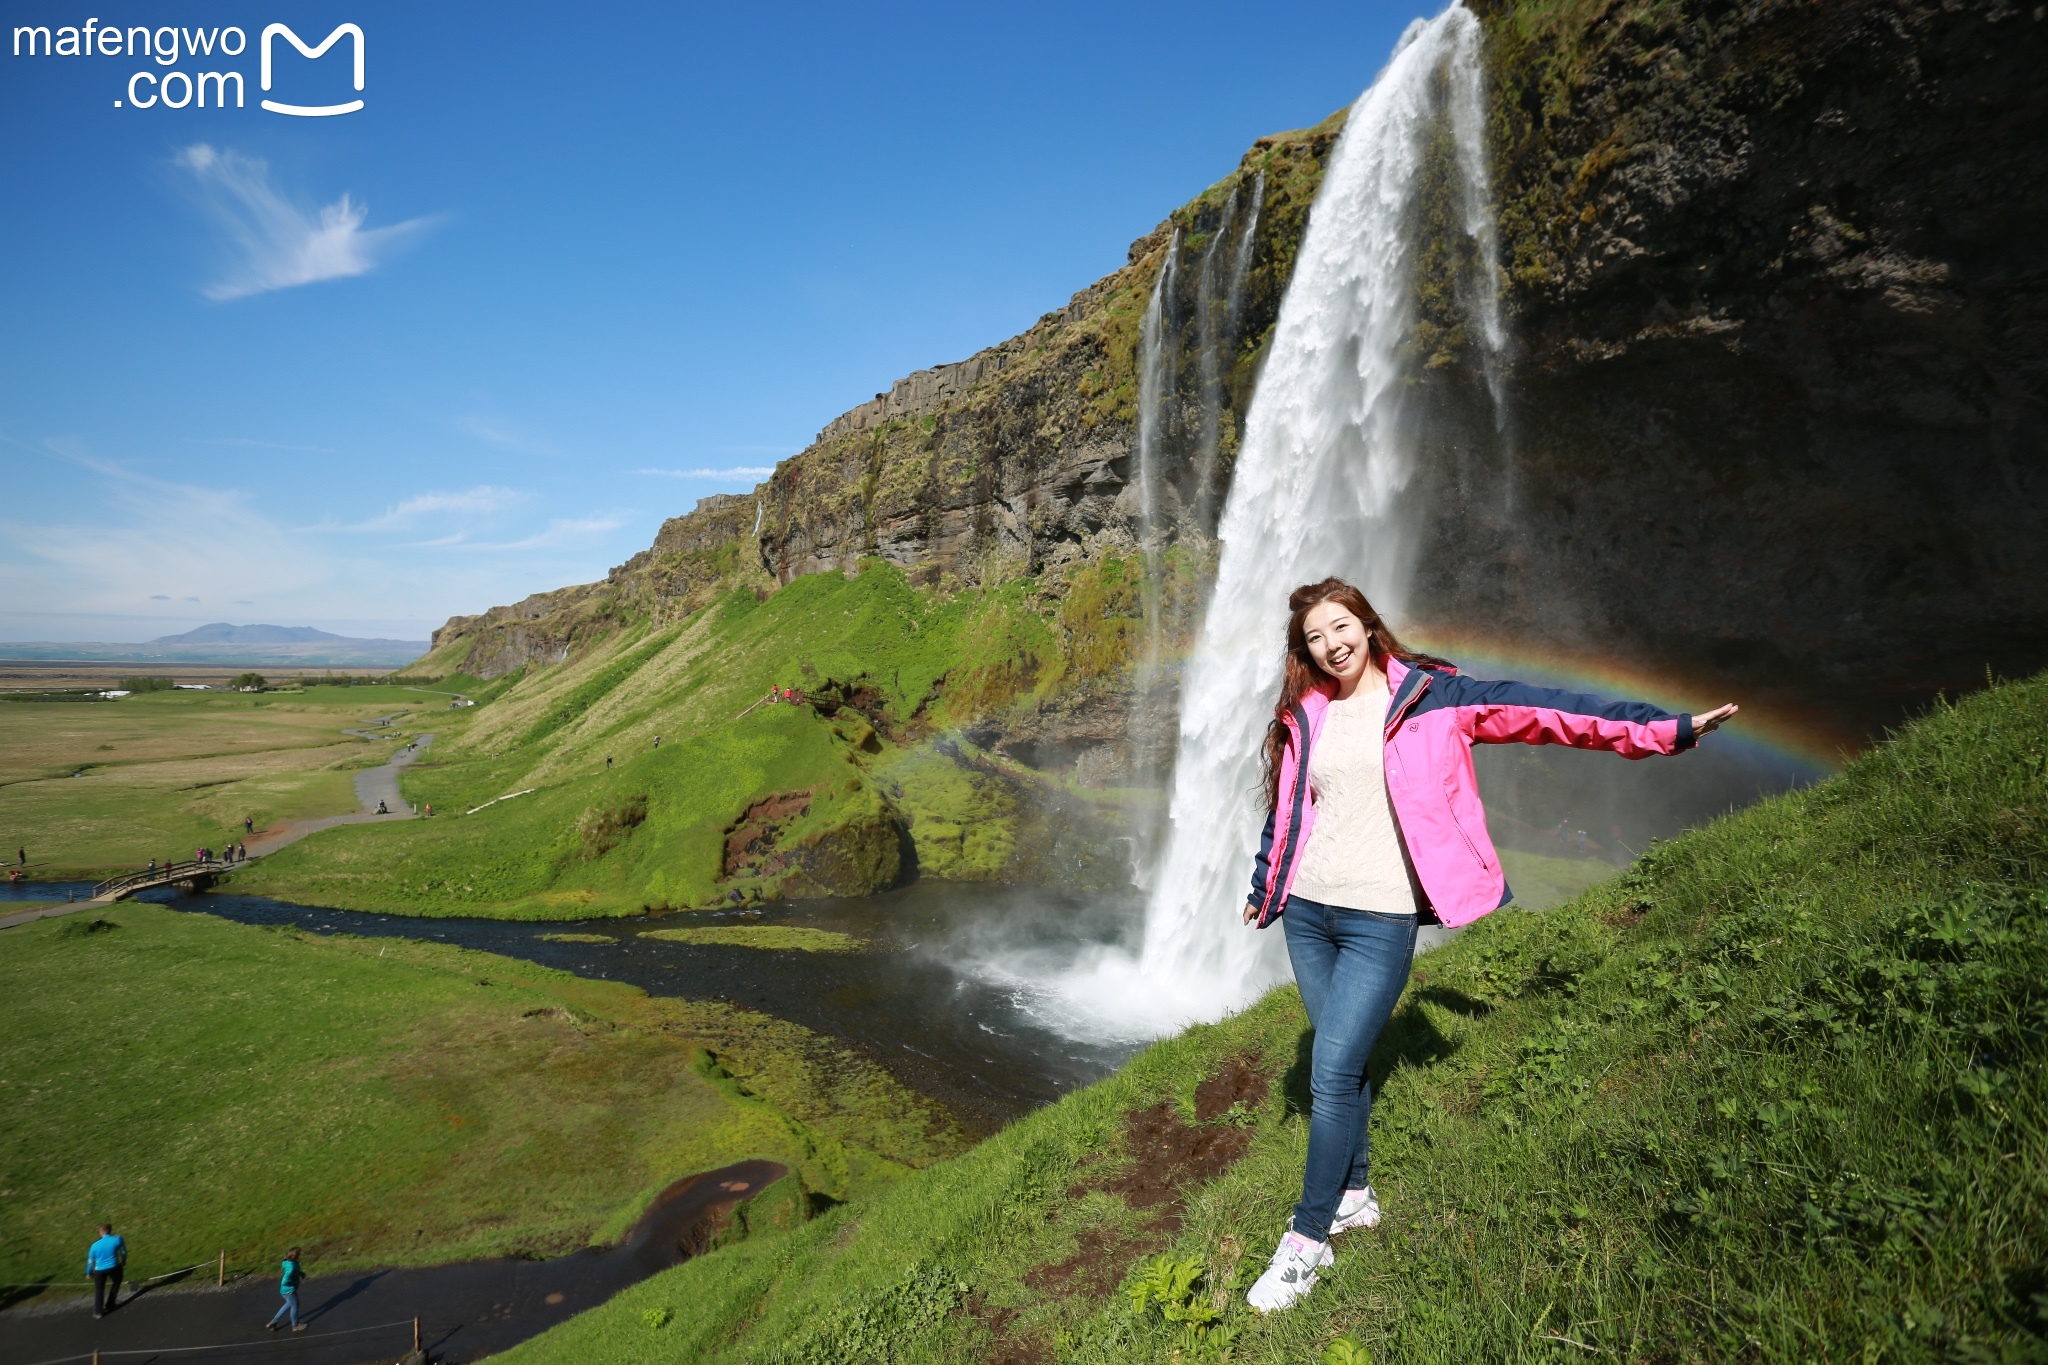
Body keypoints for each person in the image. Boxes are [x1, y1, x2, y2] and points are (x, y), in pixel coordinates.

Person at [1239, 579, 1737, 1314]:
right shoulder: (1305, 712)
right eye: (1314, 637)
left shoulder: (1436, 698)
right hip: (1310, 912)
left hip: (1381, 916)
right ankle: (1353, 1194)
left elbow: (1551, 712)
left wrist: (1666, 728)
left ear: (1368, 626)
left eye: (1340, 626)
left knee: (1331, 1067)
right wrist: (1265, 884)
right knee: (1340, 1067)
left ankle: (1305, 1243)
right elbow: (1287, 810)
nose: (1330, 644)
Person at [86, 1223, 126, 1317]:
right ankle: (110, 1303)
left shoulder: (94, 1245)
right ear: (110, 1231)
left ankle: (98, 1312)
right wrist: (123, 1261)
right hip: (114, 1267)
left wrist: (89, 1272)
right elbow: (123, 1252)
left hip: (99, 1270)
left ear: (101, 1232)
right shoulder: (117, 1239)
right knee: (116, 1281)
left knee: (99, 1289)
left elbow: (91, 1261)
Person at [266, 1247, 307, 1333]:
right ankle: (295, 1325)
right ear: (294, 1256)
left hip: (286, 1290)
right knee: (295, 1305)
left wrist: (301, 1273)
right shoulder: (291, 1268)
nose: (300, 1255)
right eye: (299, 1254)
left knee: (289, 1304)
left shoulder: (287, 1262)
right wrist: (289, 1284)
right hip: (289, 1290)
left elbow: (295, 1270)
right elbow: (285, 1279)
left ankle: (274, 1322)